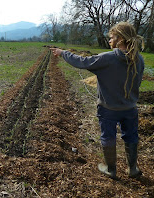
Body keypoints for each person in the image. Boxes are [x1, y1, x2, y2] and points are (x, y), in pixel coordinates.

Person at [50, 21, 144, 179]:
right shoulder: (139, 59)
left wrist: (62, 52)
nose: (109, 40)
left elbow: (82, 62)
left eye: (112, 37)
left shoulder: (108, 58)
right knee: (131, 136)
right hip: (130, 108)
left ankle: (111, 169)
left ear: (120, 39)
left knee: (108, 136)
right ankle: (132, 169)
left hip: (108, 109)